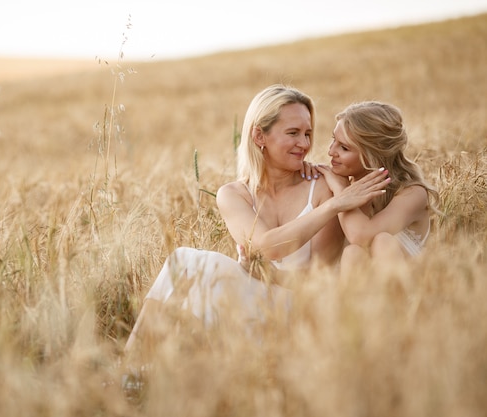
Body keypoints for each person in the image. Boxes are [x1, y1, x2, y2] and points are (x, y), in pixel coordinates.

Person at [122, 85, 390, 375]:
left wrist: (331, 203)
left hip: (298, 311)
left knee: (198, 266)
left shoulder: (324, 187)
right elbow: (266, 247)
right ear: (259, 136)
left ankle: (158, 371)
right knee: (183, 260)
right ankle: (130, 371)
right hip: (249, 302)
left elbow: (317, 280)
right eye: (293, 133)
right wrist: (333, 207)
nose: (304, 143)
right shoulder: (233, 195)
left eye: (308, 133)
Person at [316, 101, 439, 274]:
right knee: (352, 253)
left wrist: (341, 189)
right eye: (333, 140)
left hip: (406, 292)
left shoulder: (412, 193)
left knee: (382, 241)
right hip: (358, 292)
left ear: (372, 155)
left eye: (343, 147)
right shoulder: (332, 185)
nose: (330, 151)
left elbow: (361, 236)